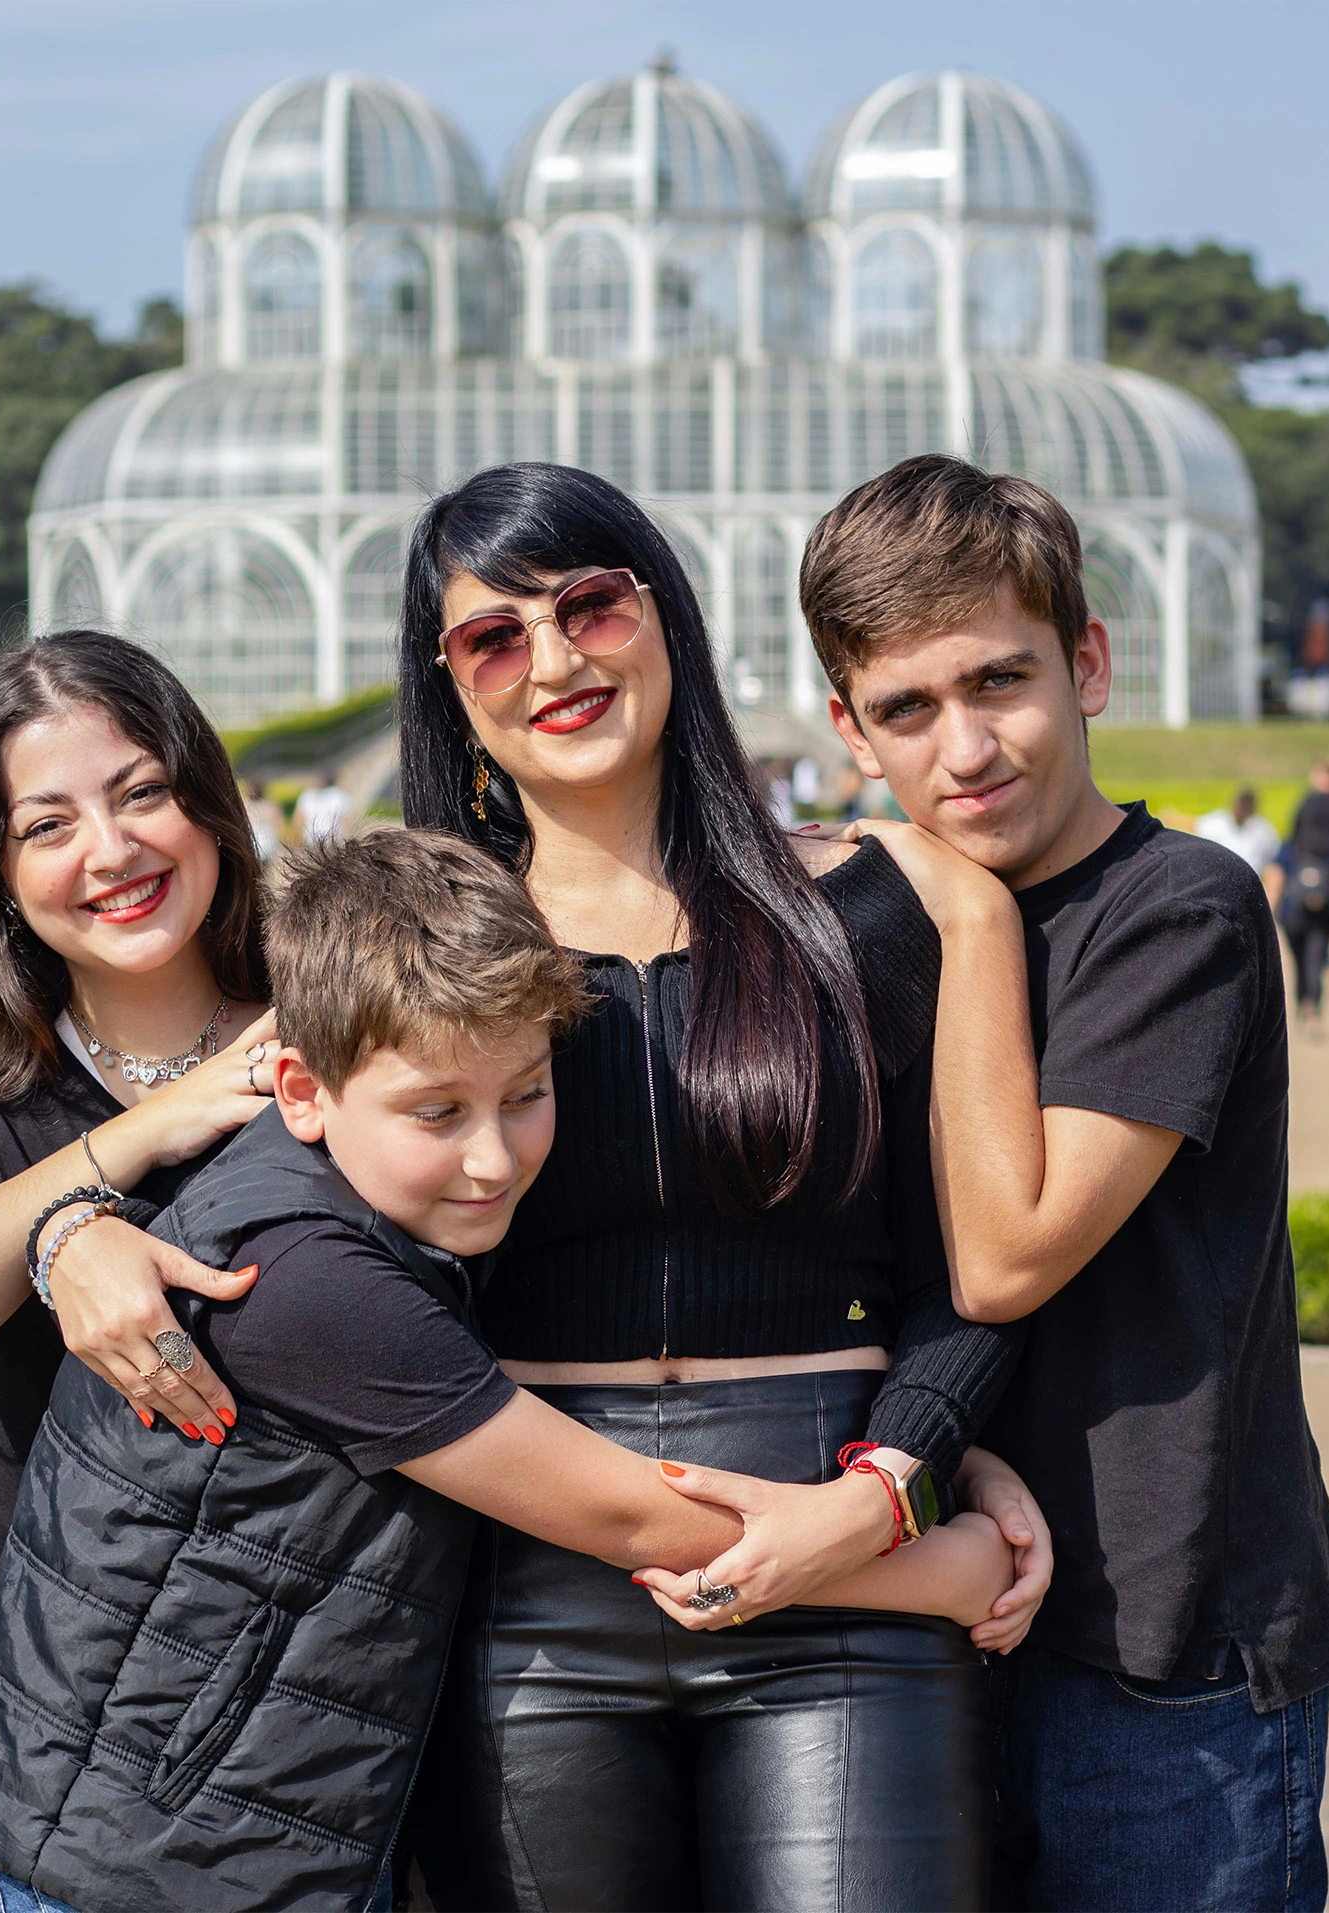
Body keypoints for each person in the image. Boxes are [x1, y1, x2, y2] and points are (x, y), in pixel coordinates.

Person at [0, 830, 1021, 1913]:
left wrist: (953, 1447)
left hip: (205, 1827)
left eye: (527, 1095)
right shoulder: (308, 1285)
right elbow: (639, 1521)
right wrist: (945, 1564)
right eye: (437, 1111)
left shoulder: (338, 1197)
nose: (494, 1156)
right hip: (137, 1855)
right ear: (301, 1090)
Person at [395, 462, 1052, 1912]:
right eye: (491, 637)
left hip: (846, 1562)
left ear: (667, 615)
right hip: (526, 1593)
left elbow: (985, 1269)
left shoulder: (912, 900)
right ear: (448, 690)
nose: (554, 660)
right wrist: (80, 1234)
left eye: (590, 605)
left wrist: (900, 1477)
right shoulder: (405, 951)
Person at [799, 454, 1329, 1913]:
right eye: (909, 709)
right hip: (933, 1609)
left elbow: (1006, 1256)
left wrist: (975, 922)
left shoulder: (1181, 911)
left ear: (1087, 664)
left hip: (1167, 1651)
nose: (965, 747)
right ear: (850, 730)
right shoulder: (864, 925)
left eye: (1001, 681)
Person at [0, 631, 287, 1729]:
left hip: (330, 1724)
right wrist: (103, 1173)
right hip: (70, 1750)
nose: (111, 848)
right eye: (48, 825)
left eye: (143, 793)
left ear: (210, 805)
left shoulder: (334, 1022)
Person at [1267, 760, 1329, 1028]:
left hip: (1294, 905)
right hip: (1327, 895)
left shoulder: (1294, 836)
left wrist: (1269, 908)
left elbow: (1275, 874)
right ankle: (1312, 1004)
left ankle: (1305, 1003)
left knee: (1302, 957)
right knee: (1317, 955)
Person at [1196, 785, 1280, 876]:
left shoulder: (1264, 830)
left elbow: (1272, 862)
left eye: (1248, 806)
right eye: (1243, 805)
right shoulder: (1213, 824)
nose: (1244, 809)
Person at [294, 764, 356, 845]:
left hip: (312, 841)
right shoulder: (340, 795)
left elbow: (298, 821)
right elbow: (346, 822)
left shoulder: (307, 796)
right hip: (334, 842)